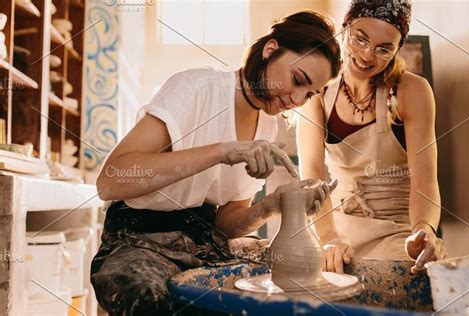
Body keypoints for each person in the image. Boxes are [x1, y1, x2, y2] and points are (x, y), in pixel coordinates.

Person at [91, 10, 342, 315]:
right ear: (270, 50)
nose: (297, 99)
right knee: (151, 301)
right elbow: (109, 181)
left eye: (309, 94)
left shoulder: (267, 127)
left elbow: (225, 224)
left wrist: (272, 206)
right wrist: (223, 150)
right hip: (136, 238)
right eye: (297, 80)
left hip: (201, 244)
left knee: (266, 295)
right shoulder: (196, 89)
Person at [298, 0, 448, 275]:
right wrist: (329, 239)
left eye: (383, 48)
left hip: (396, 233)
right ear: (344, 30)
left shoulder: (411, 90)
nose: (367, 55)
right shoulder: (319, 91)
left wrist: (423, 231)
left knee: (406, 282)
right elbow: (312, 175)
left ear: (397, 49)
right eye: (360, 39)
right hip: (333, 227)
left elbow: (424, 180)